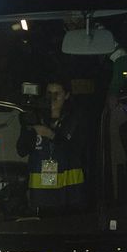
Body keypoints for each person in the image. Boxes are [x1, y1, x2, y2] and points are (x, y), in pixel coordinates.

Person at [16, 79, 88, 212]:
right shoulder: (34, 118)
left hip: (70, 194)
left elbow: (77, 150)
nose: (53, 98)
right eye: (49, 94)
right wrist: (29, 131)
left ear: (66, 95)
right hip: (41, 195)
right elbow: (21, 150)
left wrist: (51, 135)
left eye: (57, 93)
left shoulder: (76, 119)